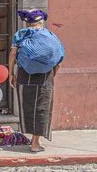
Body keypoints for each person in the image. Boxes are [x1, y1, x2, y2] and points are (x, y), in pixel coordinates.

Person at [8, 9, 65, 153]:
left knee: (27, 105)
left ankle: (26, 133)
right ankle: (35, 142)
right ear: (42, 22)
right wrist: (53, 73)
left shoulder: (20, 35)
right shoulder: (51, 36)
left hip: (24, 74)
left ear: (27, 22)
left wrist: (11, 74)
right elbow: (59, 58)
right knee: (42, 108)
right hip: (45, 76)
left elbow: (13, 54)